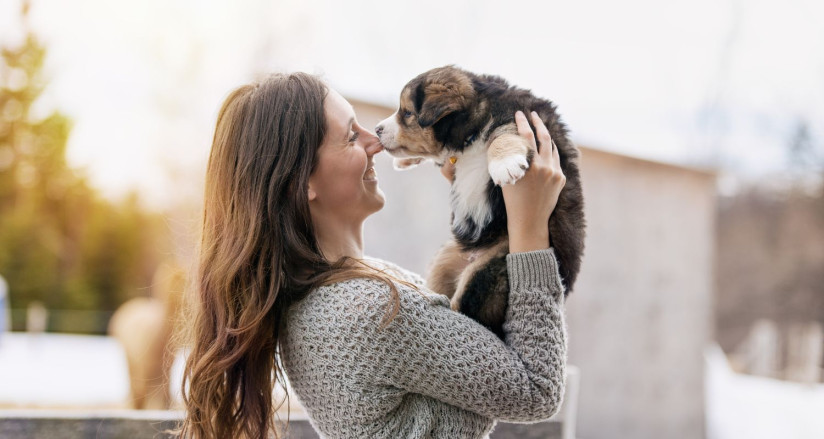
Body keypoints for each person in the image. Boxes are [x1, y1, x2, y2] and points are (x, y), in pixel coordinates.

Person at [180, 72, 567, 439]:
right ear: (303, 182)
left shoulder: (343, 292)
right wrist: (530, 231)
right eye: (351, 136)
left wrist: (474, 186)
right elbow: (538, 388)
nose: (375, 142)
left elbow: (474, 344)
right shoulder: (372, 309)